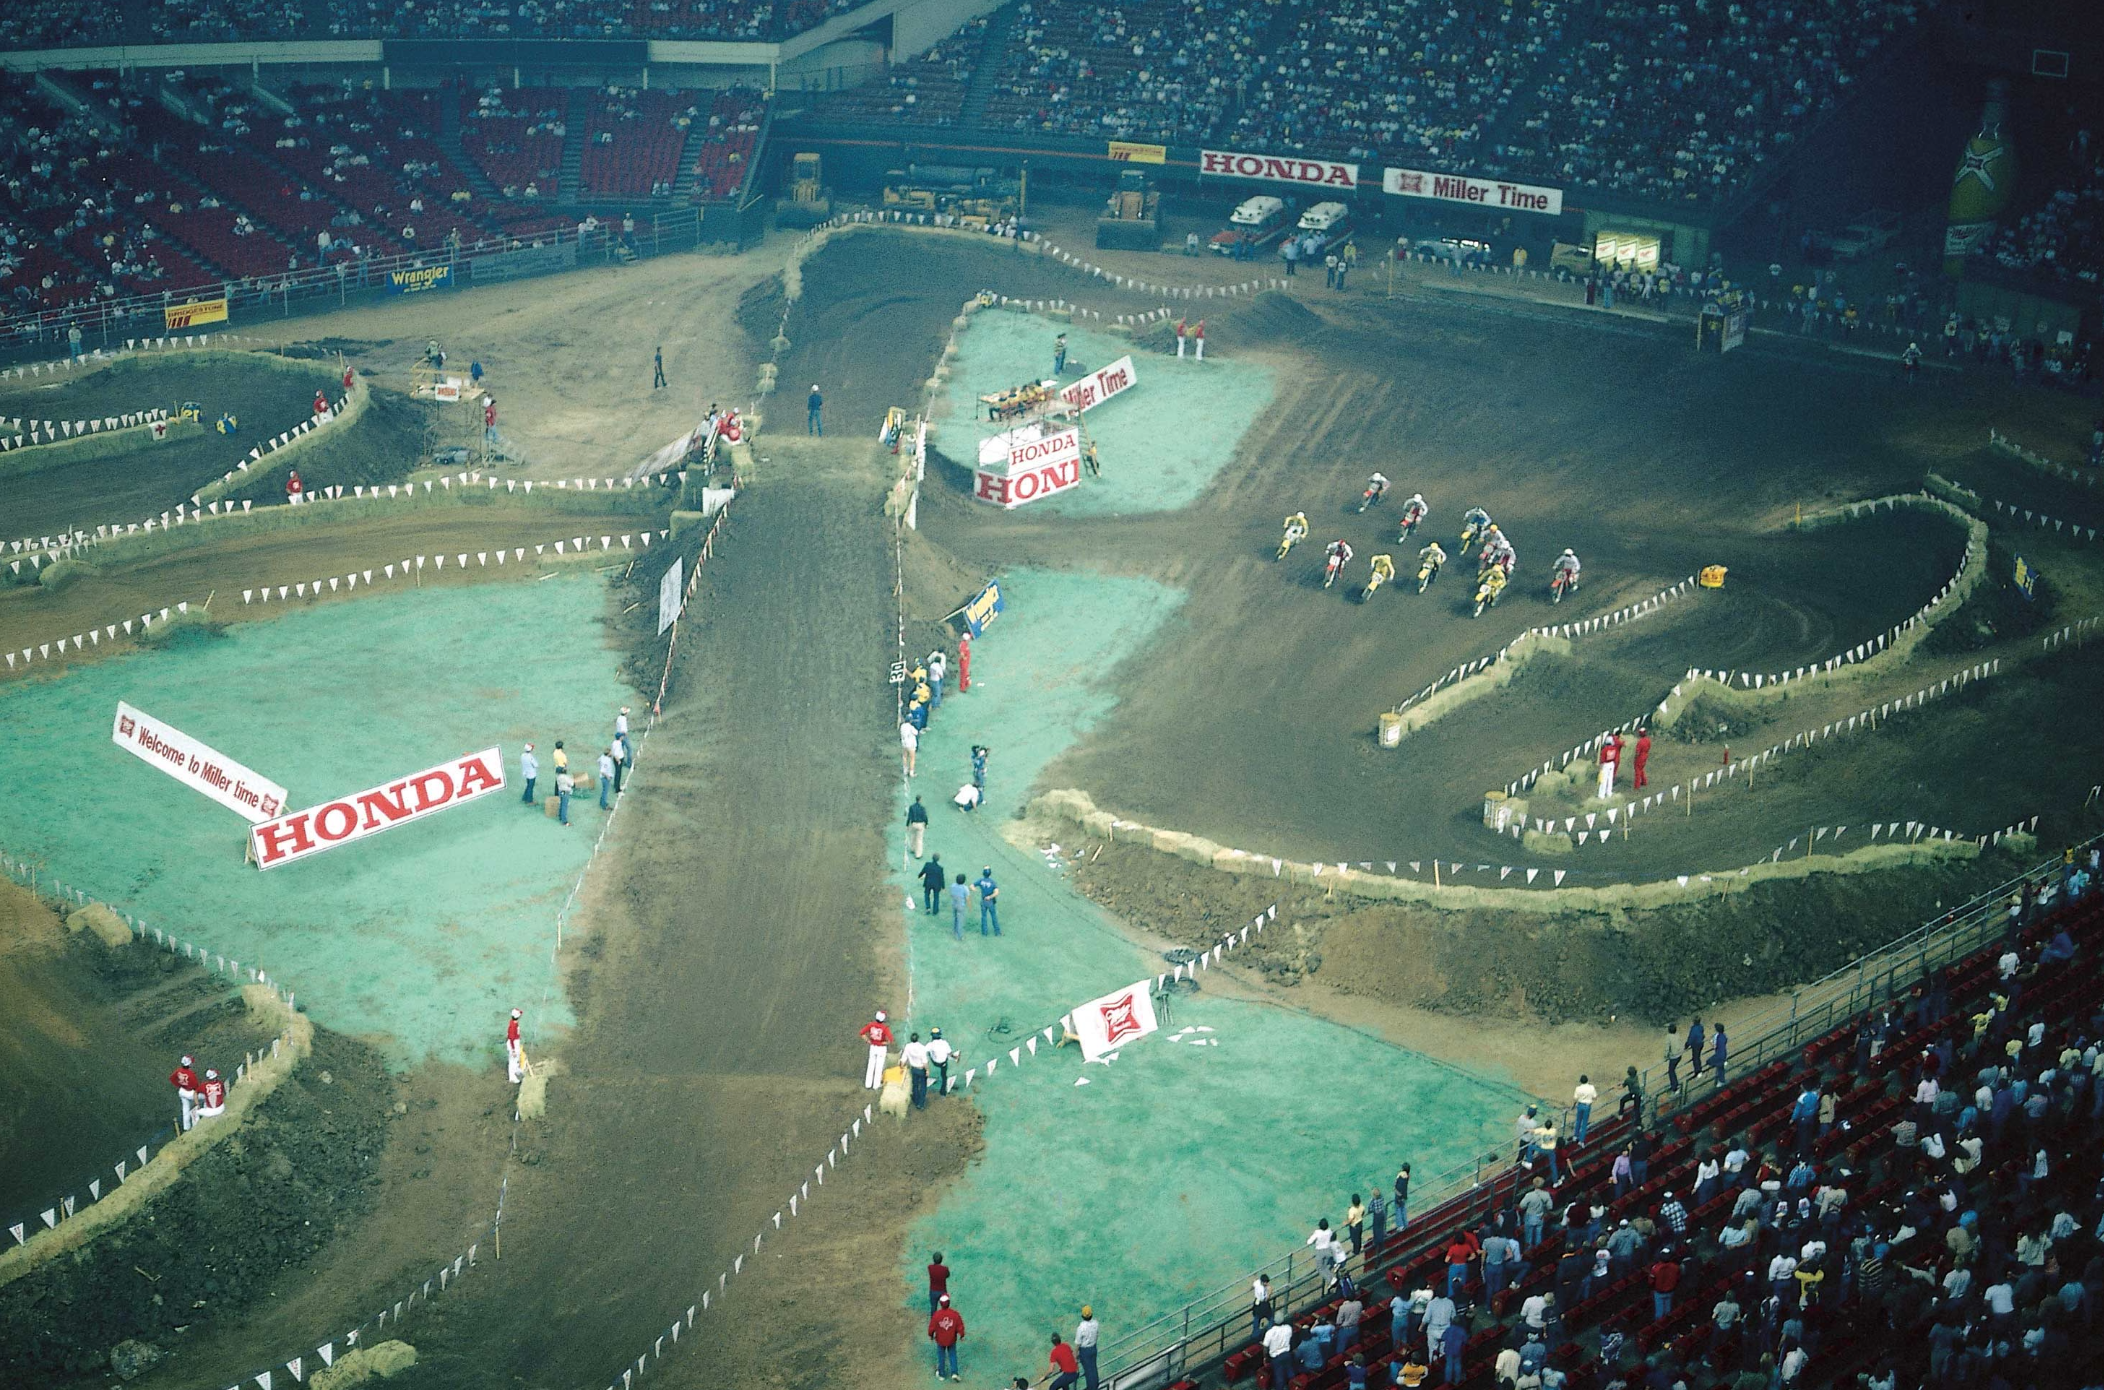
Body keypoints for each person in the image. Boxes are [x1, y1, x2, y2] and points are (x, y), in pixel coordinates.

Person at [928, 1294, 965, 1380]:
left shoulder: (937, 1315)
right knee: (952, 1355)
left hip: (940, 1340)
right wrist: (961, 1335)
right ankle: (954, 1373)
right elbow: (960, 1326)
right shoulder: (954, 1314)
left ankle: (941, 1374)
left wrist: (931, 1335)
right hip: (951, 1339)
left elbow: (931, 1327)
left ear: (940, 1303)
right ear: (949, 1302)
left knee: (941, 1356)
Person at [858, 1011, 892, 1089]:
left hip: (873, 1047)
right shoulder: (885, 1028)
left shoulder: (871, 1025)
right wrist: (884, 1043)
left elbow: (862, 1033)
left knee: (871, 1065)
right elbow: (890, 1039)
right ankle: (876, 1085)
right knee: (879, 1066)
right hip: (881, 1049)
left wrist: (868, 1040)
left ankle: (868, 1084)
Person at [1260, 1318, 1293, 1390]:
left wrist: (1265, 1358)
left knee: (1279, 1378)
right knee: (1290, 1373)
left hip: (1276, 1358)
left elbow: (1265, 1348)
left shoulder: (1270, 1333)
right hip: (1287, 1354)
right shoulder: (1288, 1328)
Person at [170, 1055, 200, 1131]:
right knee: (203, 1098)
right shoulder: (191, 1074)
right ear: (189, 1064)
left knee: (185, 1109)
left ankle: (186, 1127)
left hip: (182, 1091)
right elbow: (196, 1086)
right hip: (190, 1092)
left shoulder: (178, 1071)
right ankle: (197, 1122)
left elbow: (172, 1078)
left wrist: (178, 1085)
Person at [1075, 1307, 1101, 1390]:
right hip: (1093, 1348)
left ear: (1082, 1316)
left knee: (1088, 1371)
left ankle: (1091, 1388)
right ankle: (1096, 1385)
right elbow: (1097, 1335)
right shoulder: (1096, 1323)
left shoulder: (1081, 1327)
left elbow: (1078, 1343)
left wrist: (1075, 1355)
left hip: (1085, 1351)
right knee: (1093, 1368)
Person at [903, 1032, 931, 1109]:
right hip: (921, 1069)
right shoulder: (922, 1048)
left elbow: (904, 1059)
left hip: (914, 1069)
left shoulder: (907, 1046)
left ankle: (916, 1099)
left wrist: (901, 1066)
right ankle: (921, 1104)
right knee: (923, 1086)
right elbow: (925, 1062)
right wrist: (927, 1070)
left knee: (915, 1085)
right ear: (918, 1038)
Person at [1596, 732, 1624, 800]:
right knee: (1610, 779)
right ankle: (1609, 793)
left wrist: (1600, 766)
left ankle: (1601, 795)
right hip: (1612, 764)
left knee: (1603, 780)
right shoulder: (1614, 749)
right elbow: (1616, 757)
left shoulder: (1604, 750)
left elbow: (1602, 759)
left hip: (1605, 765)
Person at [1573, 1074, 1597, 1145]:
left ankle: (1575, 1136)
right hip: (1587, 1106)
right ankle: (1581, 1141)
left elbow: (1575, 1098)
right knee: (1584, 1123)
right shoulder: (1591, 1088)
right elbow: (1595, 1097)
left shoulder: (1578, 1088)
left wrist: (1574, 1105)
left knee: (1578, 1121)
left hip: (1580, 1105)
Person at [976, 866, 1000, 936]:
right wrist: (990, 897)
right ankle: (997, 932)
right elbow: (996, 892)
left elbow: (972, 886)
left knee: (983, 917)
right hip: (990, 902)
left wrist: (975, 890)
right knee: (994, 916)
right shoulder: (992, 882)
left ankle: (984, 933)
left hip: (983, 901)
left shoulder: (981, 880)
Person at [948, 873, 970, 940]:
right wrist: (969, 906)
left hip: (954, 904)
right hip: (961, 906)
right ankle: (960, 936)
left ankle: (954, 931)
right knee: (960, 920)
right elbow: (967, 898)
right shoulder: (965, 888)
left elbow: (951, 894)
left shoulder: (953, 886)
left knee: (955, 918)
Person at [506, 1008, 525, 1082]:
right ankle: (512, 1077)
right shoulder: (513, 1026)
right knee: (512, 1060)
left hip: (515, 1042)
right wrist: (513, 1050)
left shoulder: (514, 1023)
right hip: (513, 1043)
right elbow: (511, 1038)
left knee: (516, 1057)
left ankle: (516, 1069)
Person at [597, 746, 616, 810]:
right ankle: (604, 805)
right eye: (610, 752)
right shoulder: (606, 761)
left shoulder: (602, 757)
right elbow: (602, 771)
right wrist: (607, 777)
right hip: (605, 778)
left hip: (603, 777)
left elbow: (598, 761)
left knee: (604, 791)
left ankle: (601, 802)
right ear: (608, 754)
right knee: (605, 791)